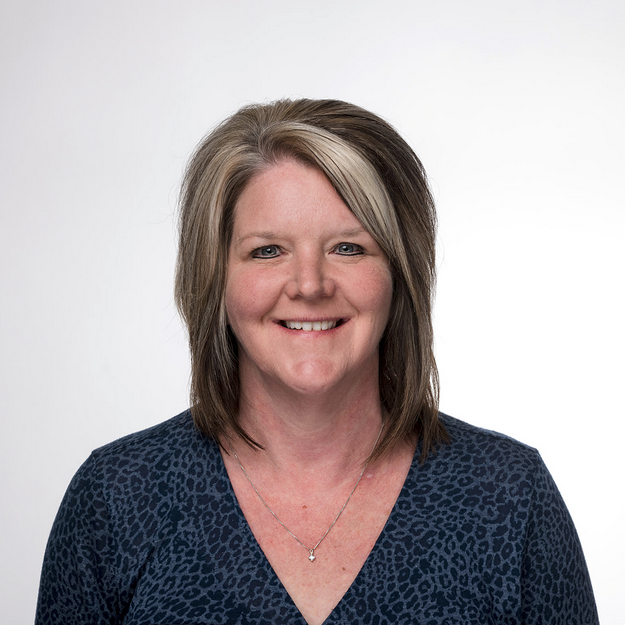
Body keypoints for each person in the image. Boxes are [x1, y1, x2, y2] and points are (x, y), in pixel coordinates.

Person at [36, 99, 599, 625]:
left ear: (399, 274)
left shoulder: (509, 499)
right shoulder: (114, 499)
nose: (309, 285)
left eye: (348, 247)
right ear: (215, 279)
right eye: (268, 251)